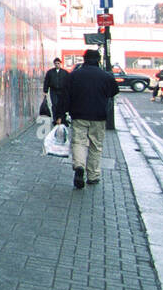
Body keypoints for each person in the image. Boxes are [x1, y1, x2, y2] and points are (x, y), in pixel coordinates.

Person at [59, 48, 119, 188]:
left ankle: (79, 166)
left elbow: (65, 96)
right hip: (99, 116)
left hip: (79, 115)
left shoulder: (74, 75)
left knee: (79, 142)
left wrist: (61, 115)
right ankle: (93, 175)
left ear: (84, 59)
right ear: (98, 60)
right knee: (95, 146)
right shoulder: (106, 76)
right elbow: (114, 92)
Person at [43, 57, 69, 123]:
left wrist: (68, 91)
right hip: (53, 90)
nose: (57, 65)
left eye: (58, 63)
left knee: (62, 105)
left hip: (62, 91)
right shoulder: (50, 72)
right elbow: (46, 81)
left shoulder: (65, 73)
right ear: (54, 64)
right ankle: (55, 118)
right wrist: (45, 90)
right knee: (54, 104)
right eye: (56, 63)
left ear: (60, 63)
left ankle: (62, 118)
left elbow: (69, 82)